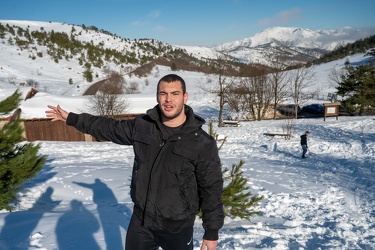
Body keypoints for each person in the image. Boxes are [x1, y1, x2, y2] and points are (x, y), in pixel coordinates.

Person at [45, 74, 224, 250]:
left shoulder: (201, 143)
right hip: (141, 221)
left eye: (175, 94)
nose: (168, 99)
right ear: (157, 96)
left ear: (185, 97)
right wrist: (73, 119)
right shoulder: (143, 126)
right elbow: (109, 128)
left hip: (177, 226)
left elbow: (211, 188)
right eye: (163, 94)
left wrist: (212, 231)